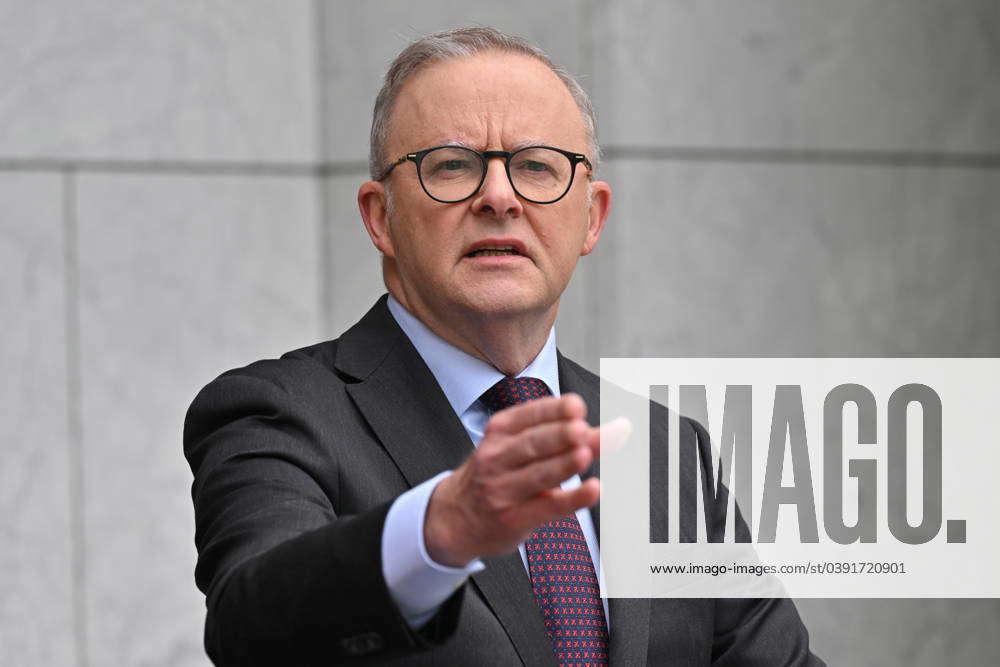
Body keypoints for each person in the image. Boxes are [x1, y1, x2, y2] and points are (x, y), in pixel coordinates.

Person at [184, 27, 823, 666]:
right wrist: (436, 533)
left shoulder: (668, 452)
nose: (498, 197)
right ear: (381, 217)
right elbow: (251, 630)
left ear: (592, 217)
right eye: (453, 165)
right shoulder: (275, 413)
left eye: (537, 166)